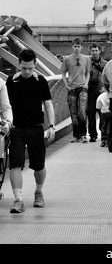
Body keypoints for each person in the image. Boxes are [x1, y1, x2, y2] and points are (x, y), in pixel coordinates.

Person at [6, 49, 55, 214]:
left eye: (30, 68)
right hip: (16, 128)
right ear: (18, 64)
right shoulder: (10, 82)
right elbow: (5, 105)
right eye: (24, 68)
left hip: (36, 127)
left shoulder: (40, 81)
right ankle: (18, 200)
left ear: (34, 65)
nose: (27, 72)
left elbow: (48, 104)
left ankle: (38, 191)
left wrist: (52, 126)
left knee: (39, 165)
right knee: (15, 164)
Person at [61, 38, 91, 143]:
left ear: (82, 47)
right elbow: (63, 73)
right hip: (72, 88)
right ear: (72, 47)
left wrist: (86, 84)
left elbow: (88, 72)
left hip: (82, 87)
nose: (77, 48)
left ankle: (83, 134)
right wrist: (66, 85)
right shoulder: (67, 59)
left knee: (82, 112)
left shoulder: (87, 59)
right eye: (75, 46)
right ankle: (76, 135)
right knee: (73, 112)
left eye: (78, 46)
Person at [87, 43, 107, 142]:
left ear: (99, 51)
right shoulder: (87, 63)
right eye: (93, 50)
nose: (94, 52)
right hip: (90, 90)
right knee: (90, 113)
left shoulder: (105, 63)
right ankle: (92, 135)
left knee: (102, 112)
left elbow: (107, 77)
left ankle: (103, 131)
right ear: (90, 51)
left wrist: (105, 88)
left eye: (96, 50)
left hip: (100, 90)